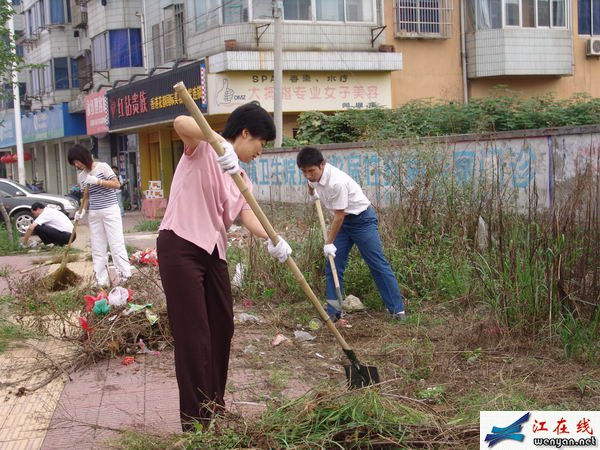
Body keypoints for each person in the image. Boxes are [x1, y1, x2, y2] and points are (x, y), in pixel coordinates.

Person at [157, 102, 292, 432]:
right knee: (194, 335)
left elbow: (247, 215)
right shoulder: (203, 149)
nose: (261, 151)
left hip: (213, 252)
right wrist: (217, 141)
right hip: (180, 244)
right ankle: (195, 420)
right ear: (245, 134)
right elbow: (180, 122)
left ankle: (213, 404)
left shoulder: (241, 177)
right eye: (261, 143)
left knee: (222, 328)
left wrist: (274, 239)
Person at [296, 146, 406, 321]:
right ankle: (334, 312)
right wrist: (312, 193)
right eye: (304, 172)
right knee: (332, 265)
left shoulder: (336, 182)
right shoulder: (313, 176)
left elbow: (339, 215)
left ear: (322, 165)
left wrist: (328, 242)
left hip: (361, 220)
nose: (308, 175)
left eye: (311, 171)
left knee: (377, 263)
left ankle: (397, 311)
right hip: (342, 223)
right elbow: (311, 184)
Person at [67, 144, 131, 286]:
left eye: (78, 161)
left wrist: (98, 181)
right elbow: (87, 196)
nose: (77, 165)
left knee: (116, 244)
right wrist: (81, 211)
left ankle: (125, 277)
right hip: (94, 213)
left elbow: (116, 184)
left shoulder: (102, 167)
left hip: (110, 210)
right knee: (97, 248)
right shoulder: (82, 176)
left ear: (83, 157)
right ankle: (101, 281)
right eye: (74, 164)